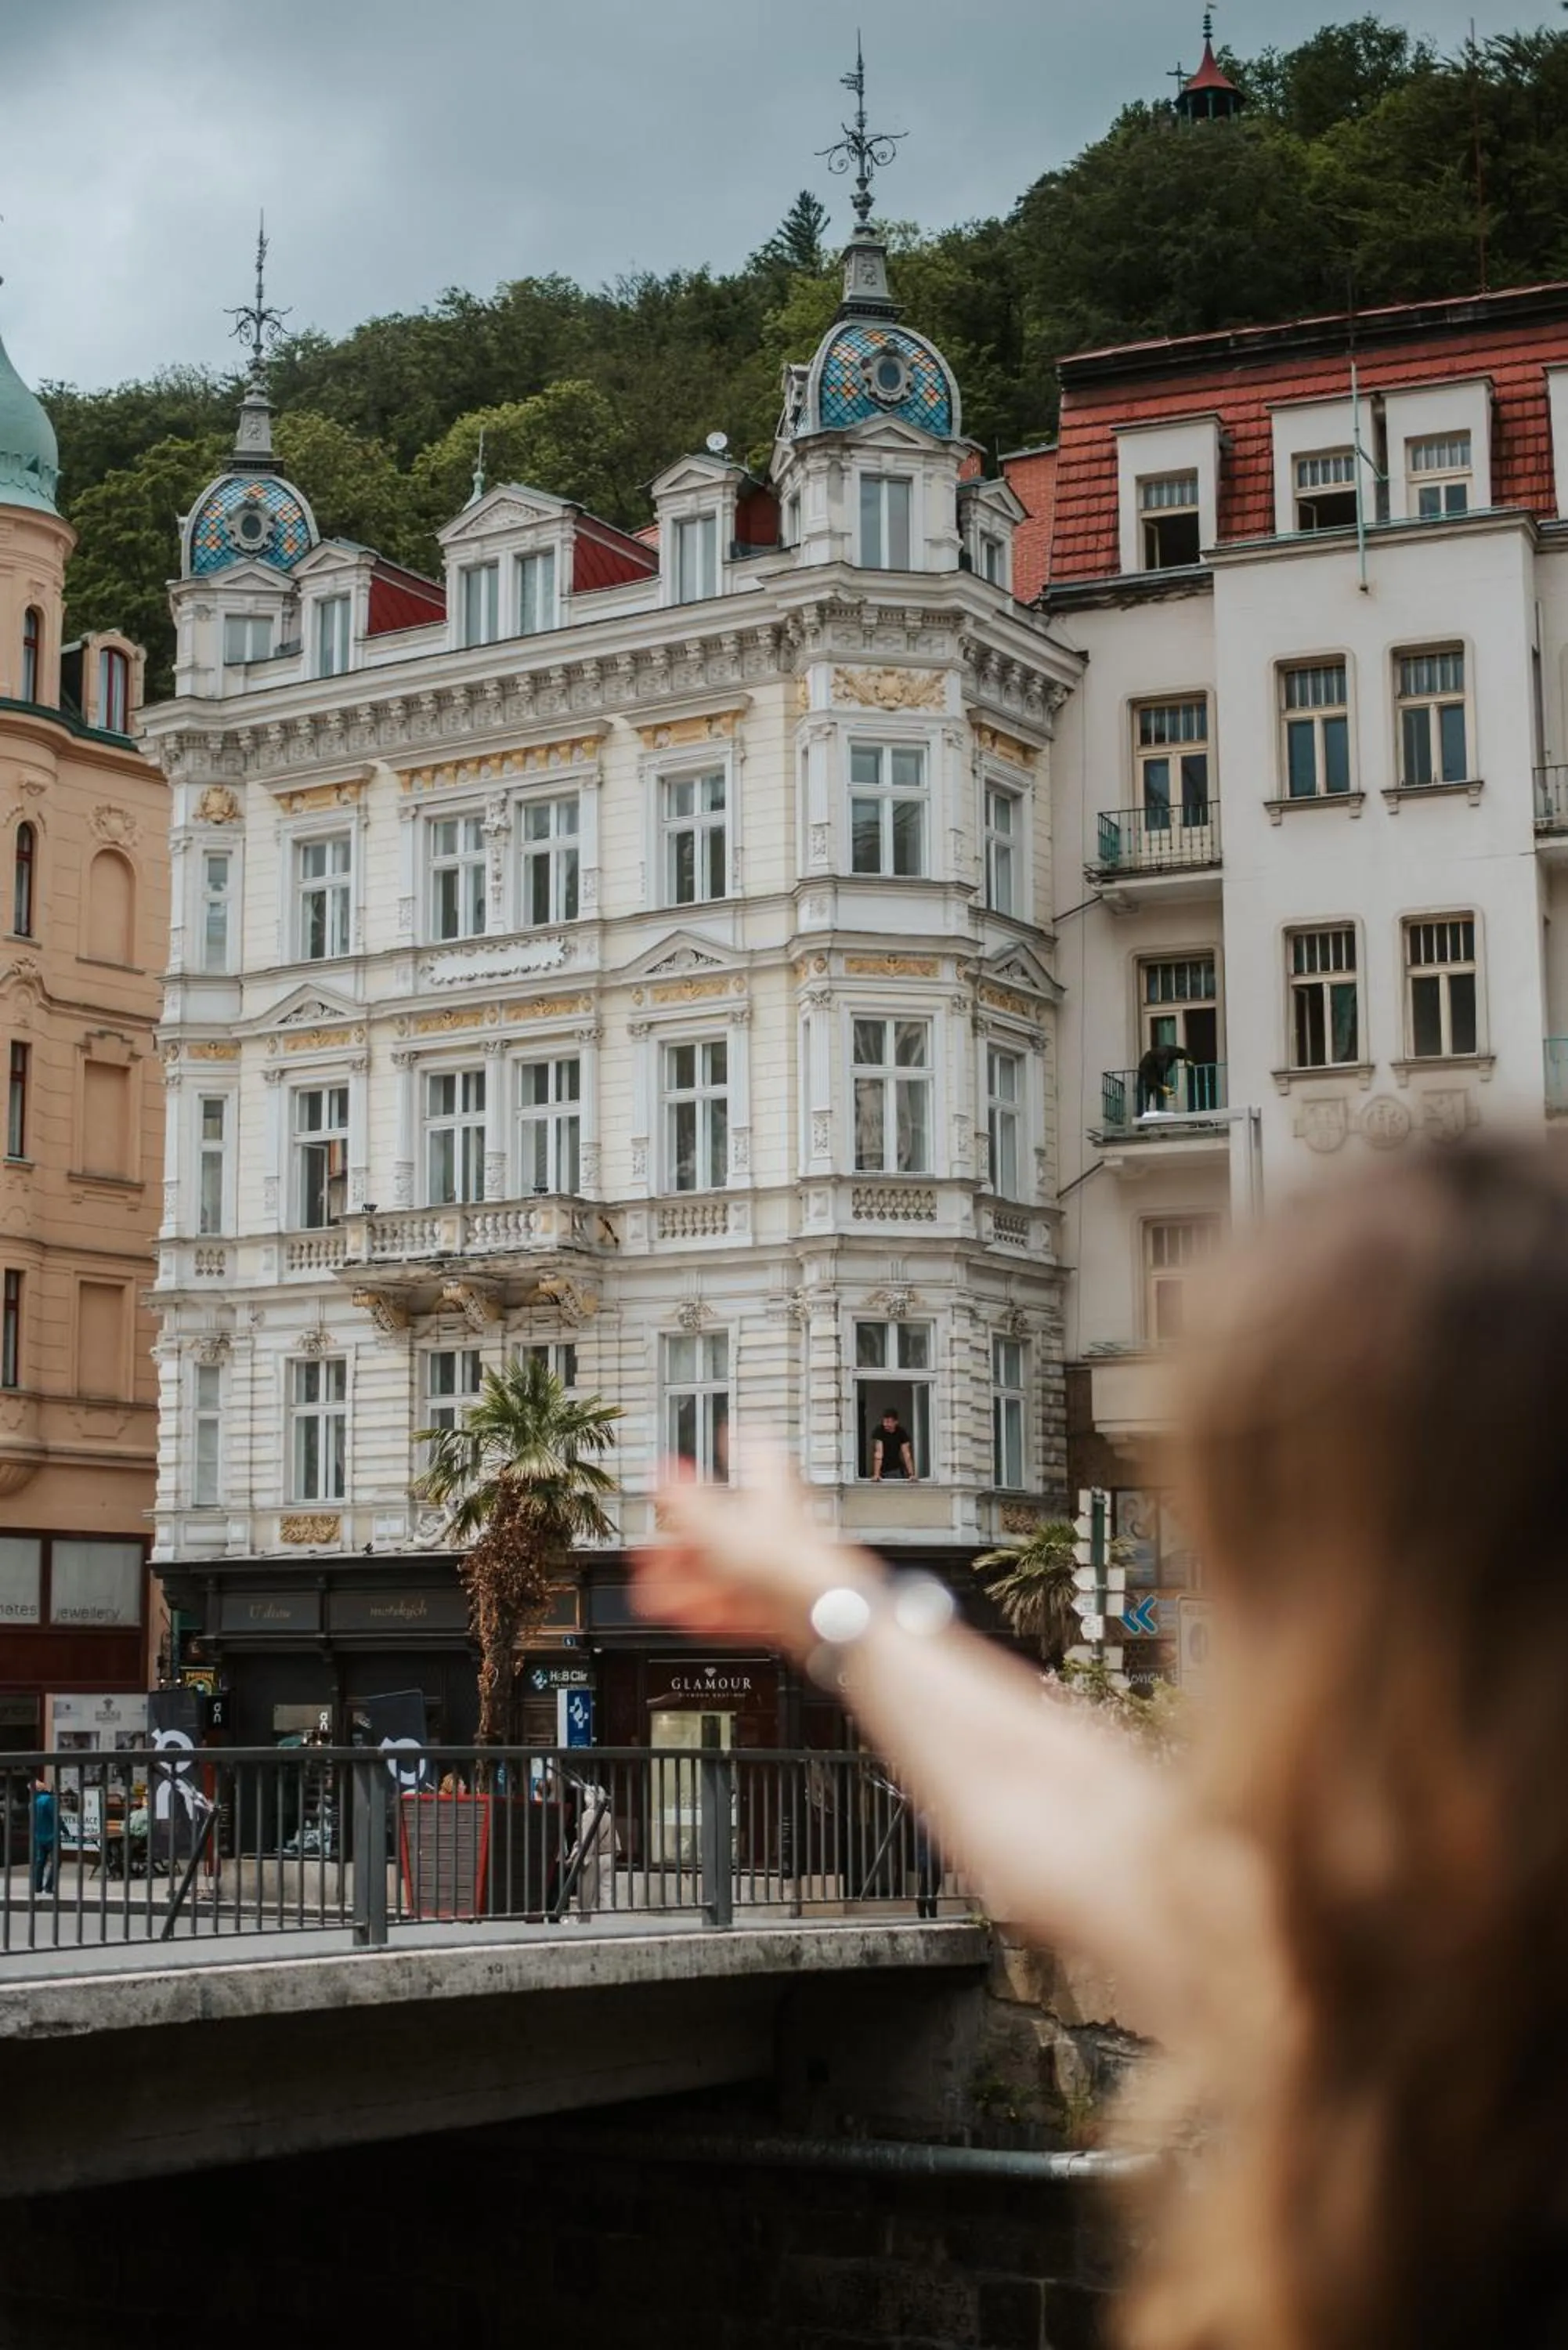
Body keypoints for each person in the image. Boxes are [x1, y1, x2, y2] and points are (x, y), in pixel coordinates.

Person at [635, 1140, 1568, 2350]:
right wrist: (817, 1588)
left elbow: (1081, 1823)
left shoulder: (1378, 2004)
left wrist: (822, 1595)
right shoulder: (1412, 1961)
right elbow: (1079, 1814)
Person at [1136, 1039, 1190, 1116]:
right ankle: (1142, 1118)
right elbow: (1151, 1079)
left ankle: (1160, 1109)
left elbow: (1183, 1052)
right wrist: (1162, 1086)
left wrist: (1187, 1060)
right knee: (1144, 1096)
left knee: (1159, 1092)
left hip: (1156, 1073)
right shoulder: (1148, 1064)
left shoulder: (1170, 1051)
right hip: (1146, 1075)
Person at [870, 1407, 916, 1482]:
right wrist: (876, 1474)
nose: (885, 1424)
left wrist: (911, 1474)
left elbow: (906, 1454)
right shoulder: (879, 1431)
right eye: (884, 1422)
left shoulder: (901, 1432)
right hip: (882, 1470)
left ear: (896, 1422)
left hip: (896, 1469)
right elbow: (878, 1453)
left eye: (888, 1422)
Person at [30, 1771, 56, 1896]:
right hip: (51, 1836)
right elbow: (56, 1818)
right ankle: (49, 1887)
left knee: (40, 1862)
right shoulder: (48, 1800)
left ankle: (37, 1887)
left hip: (38, 1837)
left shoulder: (31, 1804)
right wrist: (65, 1830)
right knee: (56, 1862)